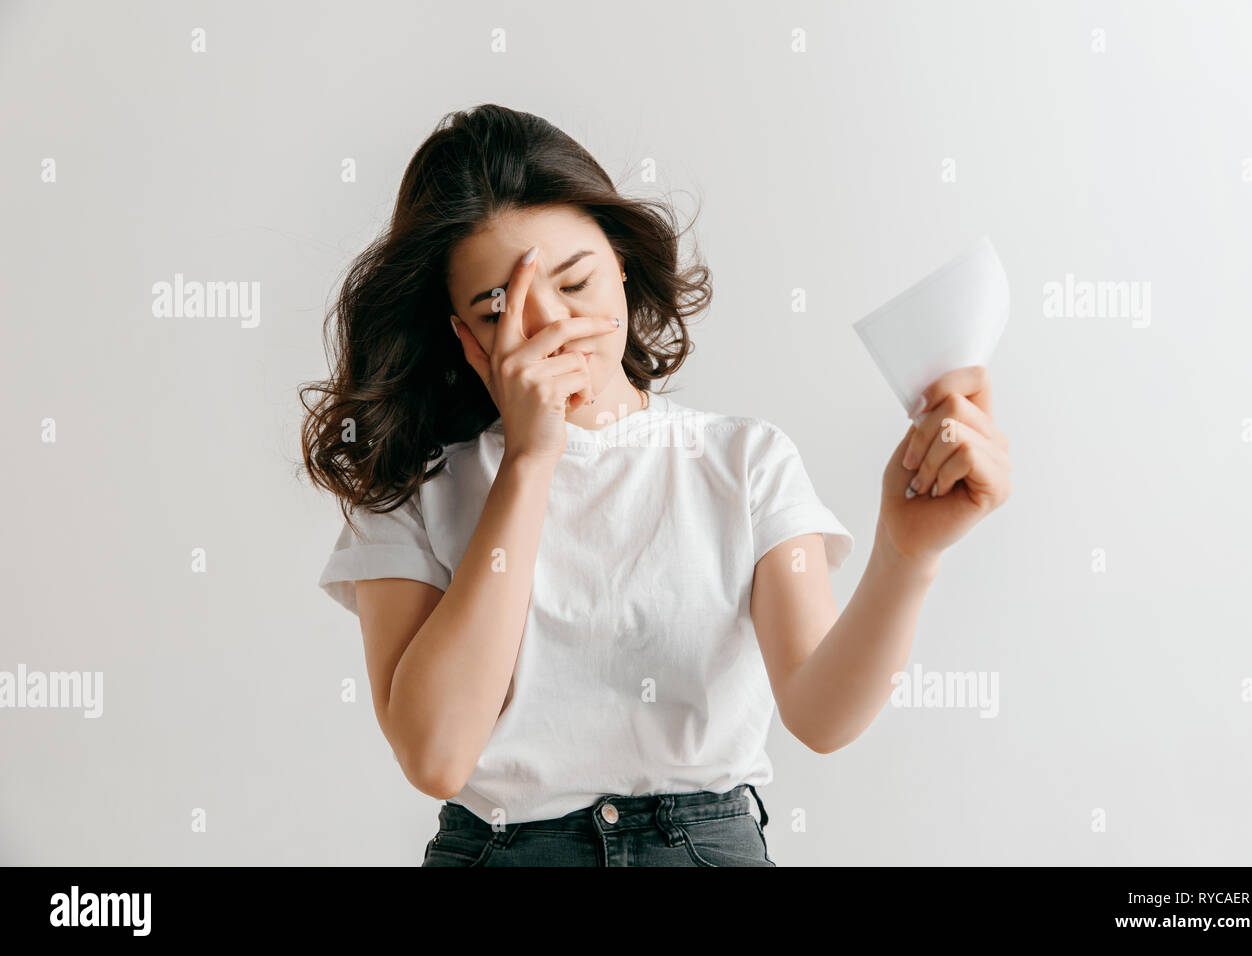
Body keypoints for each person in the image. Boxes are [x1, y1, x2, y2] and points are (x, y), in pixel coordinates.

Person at [299, 104, 1011, 867]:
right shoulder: (417, 489)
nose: (551, 328)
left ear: (623, 265)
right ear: (464, 337)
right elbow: (436, 756)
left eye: (575, 281)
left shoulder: (744, 461)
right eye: (499, 307)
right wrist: (531, 462)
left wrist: (907, 555)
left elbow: (821, 714)